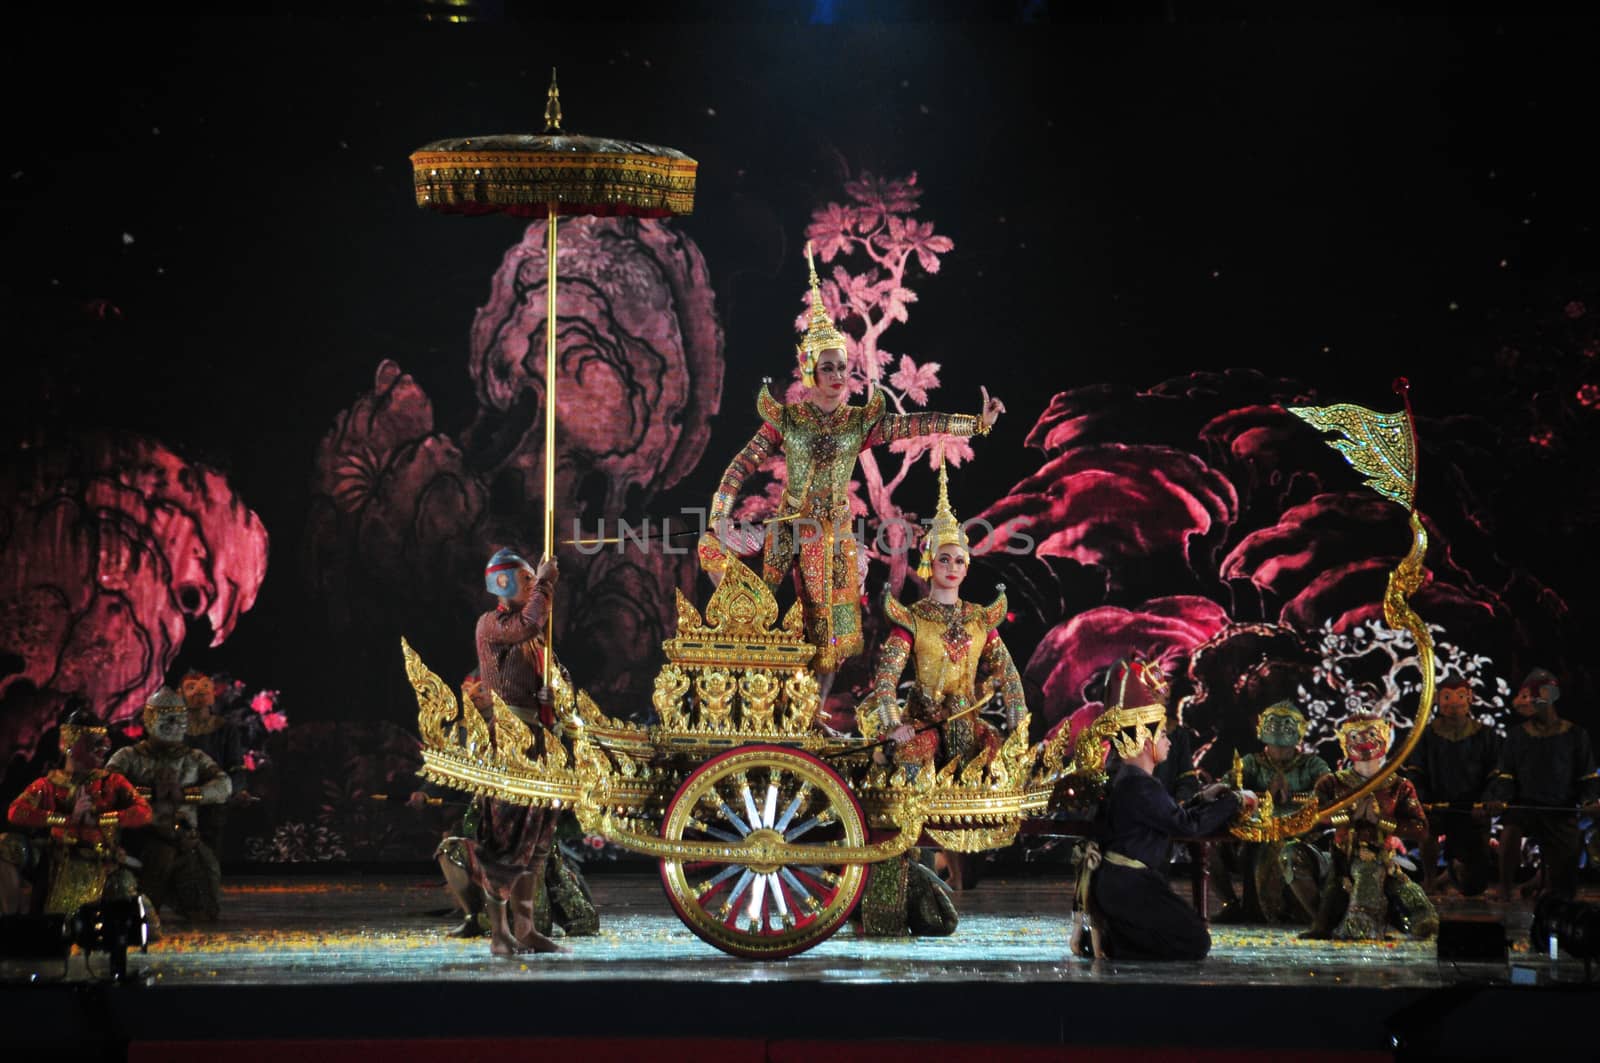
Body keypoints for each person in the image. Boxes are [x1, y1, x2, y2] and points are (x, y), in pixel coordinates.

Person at [699, 241, 1004, 705]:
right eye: (828, 368)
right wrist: (721, 512)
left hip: (833, 539)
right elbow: (741, 463)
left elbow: (915, 424)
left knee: (833, 641)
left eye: (843, 367)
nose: (839, 375)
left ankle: (811, 712)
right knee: (717, 551)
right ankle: (755, 696)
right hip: (786, 531)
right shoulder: (788, 419)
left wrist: (975, 425)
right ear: (810, 372)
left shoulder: (859, 422)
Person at [1077, 658, 1252, 961]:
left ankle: (1114, 939)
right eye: (1162, 736)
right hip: (1128, 885)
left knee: (1186, 934)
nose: (1168, 742)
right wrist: (1234, 801)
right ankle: (1112, 943)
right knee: (1196, 942)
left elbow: (1169, 815)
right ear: (1145, 742)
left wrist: (1204, 797)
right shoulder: (1139, 785)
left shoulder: (1133, 781)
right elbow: (1187, 826)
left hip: (1122, 882)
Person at [427, 667, 598, 943]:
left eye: (482, 690)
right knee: (451, 850)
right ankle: (475, 918)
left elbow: (557, 744)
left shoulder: (523, 729)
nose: (474, 697)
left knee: (536, 907)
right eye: (469, 690)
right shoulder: (467, 732)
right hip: (490, 829)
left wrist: (550, 707)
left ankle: (523, 924)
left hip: (523, 833)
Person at [456, 547, 570, 956]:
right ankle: (498, 934)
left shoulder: (536, 637)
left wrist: (551, 691)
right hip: (507, 745)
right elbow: (527, 622)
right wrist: (545, 580)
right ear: (502, 584)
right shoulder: (491, 624)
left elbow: (545, 650)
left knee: (536, 840)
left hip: (537, 742)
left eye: (531, 581)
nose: (532, 585)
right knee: (504, 839)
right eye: (525, 580)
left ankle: (526, 929)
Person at [1, 707, 152, 915]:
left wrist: (101, 819)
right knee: (6, 845)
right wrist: (67, 819)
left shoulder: (112, 781)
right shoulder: (48, 784)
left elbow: (144, 811)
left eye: (104, 740)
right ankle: (10, 923)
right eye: (95, 741)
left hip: (100, 862)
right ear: (69, 744)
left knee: (132, 905)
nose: (105, 747)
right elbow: (15, 812)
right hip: (57, 861)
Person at [1304, 715, 1437, 941]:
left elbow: (1420, 829)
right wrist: (1346, 817)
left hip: (1384, 860)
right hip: (1342, 862)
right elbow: (1310, 821)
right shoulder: (1331, 783)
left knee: (1422, 915)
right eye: (1356, 736)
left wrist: (1381, 821)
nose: (1364, 741)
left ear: (1384, 737)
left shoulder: (1399, 785)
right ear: (1345, 742)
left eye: (1372, 734)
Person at [107, 686, 232, 921]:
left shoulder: (194, 758)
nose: (175, 724)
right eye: (167, 717)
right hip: (141, 842)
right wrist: (151, 793)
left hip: (186, 842)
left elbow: (224, 785)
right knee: (138, 911)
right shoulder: (128, 757)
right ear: (149, 718)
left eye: (180, 717)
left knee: (204, 911)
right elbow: (107, 788)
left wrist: (186, 794)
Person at [1486, 668, 1600, 902]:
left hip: (1561, 808)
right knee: (1511, 828)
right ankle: (1506, 887)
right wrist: (1501, 799)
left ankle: (1542, 880)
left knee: (1564, 889)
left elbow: (1587, 776)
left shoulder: (1576, 735)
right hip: (1524, 808)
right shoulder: (1516, 736)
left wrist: (1589, 800)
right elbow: (1505, 775)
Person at [1219, 701, 1331, 923]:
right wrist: (1263, 796)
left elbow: (1331, 792)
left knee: (1282, 848)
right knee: (1215, 845)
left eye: (1285, 748)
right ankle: (1234, 905)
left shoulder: (1312, 765)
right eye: (1274, 747)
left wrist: (1300, 799)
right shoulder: (1251, 763)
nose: (1279, 752)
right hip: (1254, 834)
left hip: (1302, 834)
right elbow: (1227, 791)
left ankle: (1296, 910)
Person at [1403, 675, 1499, 896]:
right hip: (1437, 805)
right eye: (1447, 697)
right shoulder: (1427, 734)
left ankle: (1453, 873)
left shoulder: (1485, 734)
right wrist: (1423, 801)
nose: (1454, 703)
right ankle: (1429, 879)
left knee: (1473, 886)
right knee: (1427, 829)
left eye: (1460, 696)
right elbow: (1416, 770)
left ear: (1470, 699)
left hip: (1473, 807)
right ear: (1437, 700)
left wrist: (1486, 801)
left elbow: (1495, 772)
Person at [178, 670, 250, 857]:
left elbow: (236, 767)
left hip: (215, 795)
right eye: (191, 688)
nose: (200, 692)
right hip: (178, 795)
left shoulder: (226, 729)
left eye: (205, 686)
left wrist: (236, 789)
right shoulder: (173, 730)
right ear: (180, 694)